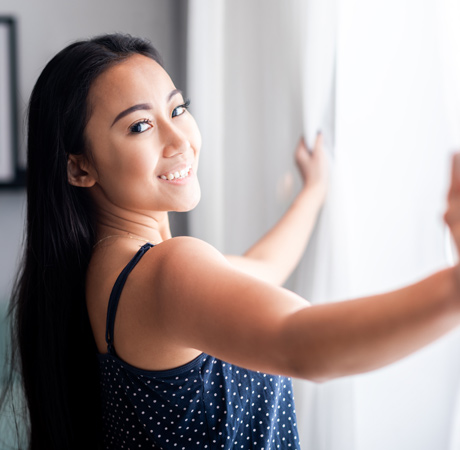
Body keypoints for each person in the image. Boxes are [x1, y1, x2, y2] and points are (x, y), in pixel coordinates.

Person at [2, 33, 460, 450]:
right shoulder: (165, 270)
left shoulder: (109, 271)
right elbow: (299, 343)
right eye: (140, 126)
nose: (180, 138)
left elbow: (261, 268)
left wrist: (315, 190)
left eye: (178, 109)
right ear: (80, 167)